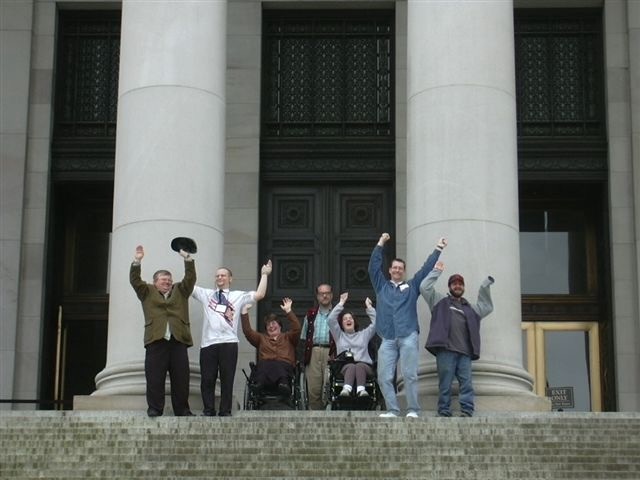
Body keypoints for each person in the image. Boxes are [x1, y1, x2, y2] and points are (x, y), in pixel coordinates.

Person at [368, 233, 447, 418]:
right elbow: (373, 267)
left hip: (408, 335)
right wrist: (380, 243)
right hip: (387, 337)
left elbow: (425, 269)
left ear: (403, 271)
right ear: (390, 270)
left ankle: (413, 409)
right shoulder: (381, 286)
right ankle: (393, 410)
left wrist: (438, 249)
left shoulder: (412, 286)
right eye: (394, 268)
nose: (397, 270)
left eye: (400, 268)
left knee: (410, 375)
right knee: (384, 377)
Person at [191, 260, 272, 417]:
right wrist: (187, 261)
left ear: (230, 279)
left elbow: (260, 294)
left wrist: (264, 275)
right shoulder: (206, 294)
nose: (220, 277)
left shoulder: (238, 296)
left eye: (223, 275)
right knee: (207, 379)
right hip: (208, 343)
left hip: (229, 343)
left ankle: (225, 410)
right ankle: (208, 410)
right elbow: (188, 286)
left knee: (227, 379)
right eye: (217, 275)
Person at [420, 261, 494, 418]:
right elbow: (424, 287)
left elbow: (486, 306)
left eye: (460, 284)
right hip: (445, 351)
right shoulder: (439, 301)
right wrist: (436, 272)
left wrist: (485, 286)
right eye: (454, 284)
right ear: (449, 287)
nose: (457, 286)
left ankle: (467, 410)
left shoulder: (471, 308)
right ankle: (444, 410)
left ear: (464, 287)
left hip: (465, 354)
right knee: (445, 384)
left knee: (466, 384)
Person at [129, 245, 195, 417]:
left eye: (169, 280)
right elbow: (135, 281)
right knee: (154, 377)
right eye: (163, 280)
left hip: (178, 340)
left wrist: (187, 258)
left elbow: (190, 278)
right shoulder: (147, 292)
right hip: (156, 340)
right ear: (155, 282)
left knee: (181, 379)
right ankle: (155, 408)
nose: (167, 282)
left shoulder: (180, 290)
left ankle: (182, 409)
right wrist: (137, 260)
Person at [241, 297, 301, 397]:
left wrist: (288, 311)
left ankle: (284, 384)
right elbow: (248, 332)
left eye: (274, 323)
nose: (271, 326)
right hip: (265, 368)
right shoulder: (261, 338)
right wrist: (244, 313)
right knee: (264, 366)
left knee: (279, 365)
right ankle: (259, 384)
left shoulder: (288, 337)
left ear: (280, 326)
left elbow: (297, 329)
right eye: (268, 325)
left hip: (284, 367)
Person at [326, 293, 377, 398]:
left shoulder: (364, 335)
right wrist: (341, 303)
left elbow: (377, 323)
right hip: (345, 366)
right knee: (351, 366)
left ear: (354, 321)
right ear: (342, 324)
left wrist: (369, 307)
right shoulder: (339, 336)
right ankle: (347, 389)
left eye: (350, 318)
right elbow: (330, 320)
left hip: (364, 366)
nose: (348, 320)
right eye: (345, 319)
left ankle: (361, 390)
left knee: (359, 365)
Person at [300, 283, 336, 410]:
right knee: (313, 389)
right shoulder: (310, 315)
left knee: (328, 386)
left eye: (327, 293)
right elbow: (303, 338)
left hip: (331, 354)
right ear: (317, 296)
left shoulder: (338, 314)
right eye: (321, 293)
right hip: (314, 352)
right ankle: (314, 417)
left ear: (331, 295)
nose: (324, 295)